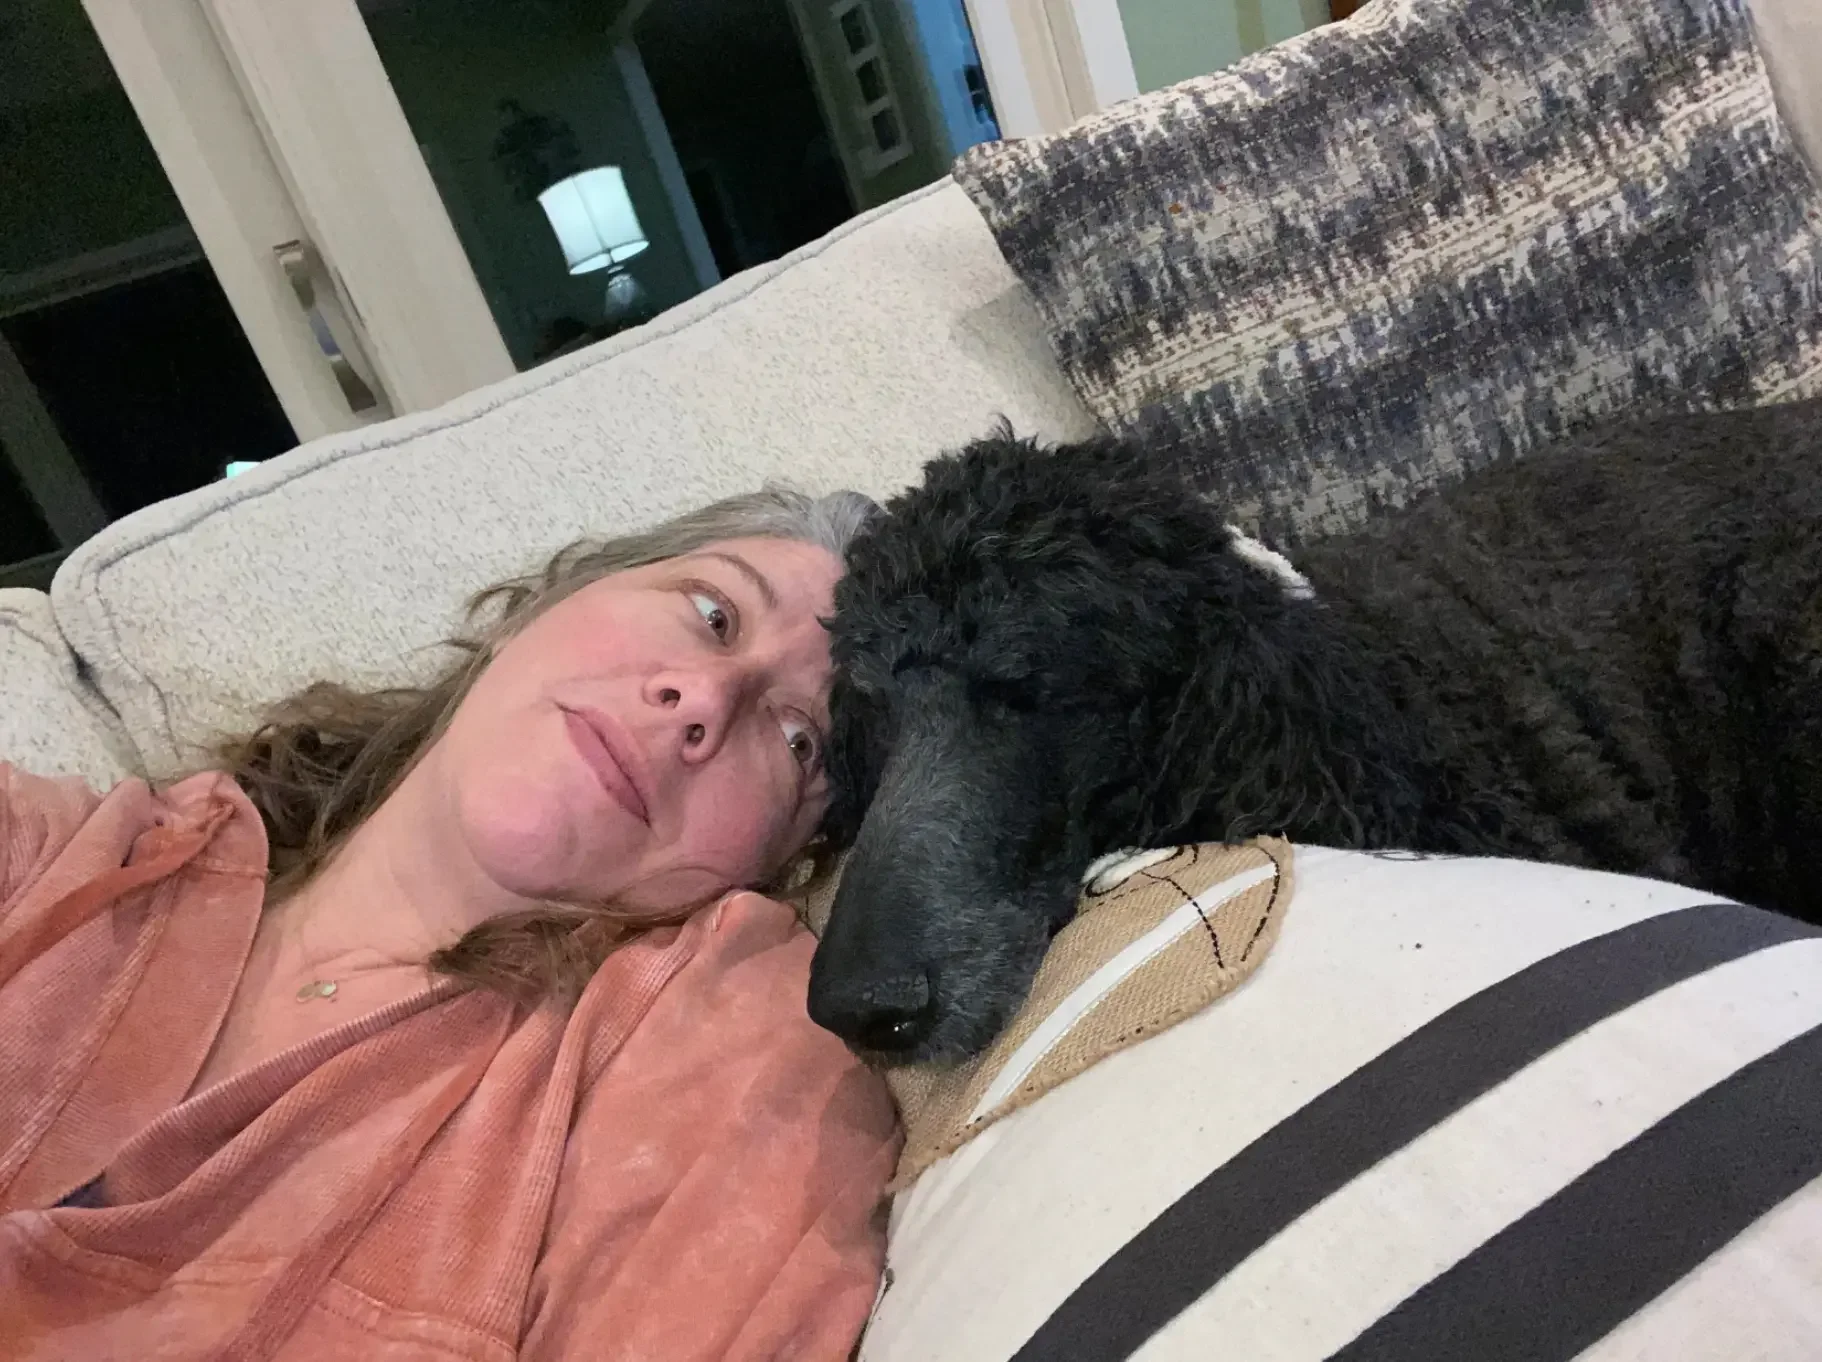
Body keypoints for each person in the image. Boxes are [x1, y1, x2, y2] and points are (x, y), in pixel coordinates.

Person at [0, 488, 900, 1362]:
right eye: (713, 613)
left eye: (797, 741)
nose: (705, 698)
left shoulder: (721, 1062)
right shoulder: (60, 856)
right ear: (538, 606)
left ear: (784, 863)